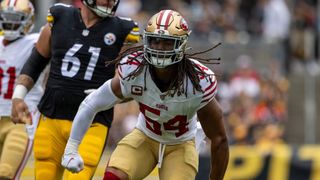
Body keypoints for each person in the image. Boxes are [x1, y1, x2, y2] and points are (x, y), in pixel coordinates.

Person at [62, 10, 229, 180]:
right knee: (113, 177)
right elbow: (92, 103)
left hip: (181, 145)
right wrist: (71, 149)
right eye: (155, 41)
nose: (159, 48)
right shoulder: (133, 69)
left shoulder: (197, 82)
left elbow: (219, 139)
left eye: (167, 43)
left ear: (182, 44)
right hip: (144, 137)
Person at [10, 0, 140, 179]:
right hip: (51, 117)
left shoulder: (123, 30)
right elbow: (36, 61)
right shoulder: (59, 17)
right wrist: (18, 96)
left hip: (93, 123)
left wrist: (107, 97)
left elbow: (131, 83)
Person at [0, 0, 43, 179]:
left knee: (6, 174)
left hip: (20, 118)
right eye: (7, 19)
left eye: (16, 19)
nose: (11, 24)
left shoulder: (36, 42)